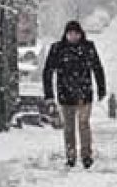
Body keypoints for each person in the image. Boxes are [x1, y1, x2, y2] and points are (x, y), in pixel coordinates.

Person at [43, 21, 107, 168]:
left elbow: (97, 68)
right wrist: (49, 94)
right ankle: (70, 156)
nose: (73, 37)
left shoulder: (88, 48)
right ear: (66, 34)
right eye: (70, 34)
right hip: (65, 94)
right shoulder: (57, 49)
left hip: (84, 94)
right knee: (69, 127)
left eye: (75, 34)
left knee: (84, 124)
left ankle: (86, 156)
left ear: (80, 34)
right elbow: (47, 71)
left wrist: (101, 88)